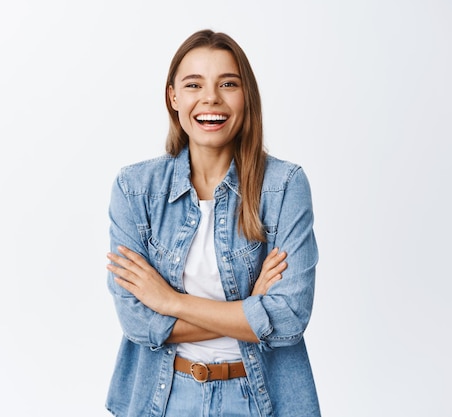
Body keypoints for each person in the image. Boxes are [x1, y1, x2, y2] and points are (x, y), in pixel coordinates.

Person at [105, 29, 321, 417]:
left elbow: (289, 318)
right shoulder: (134, 189)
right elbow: (137, 321)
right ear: (173, 97)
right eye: (193, 84)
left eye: (228, 83)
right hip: (164, 400)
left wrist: (170, 302)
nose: (211, 98)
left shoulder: (284, 186)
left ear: (246, 96)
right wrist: (251, 309)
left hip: (261, 400)